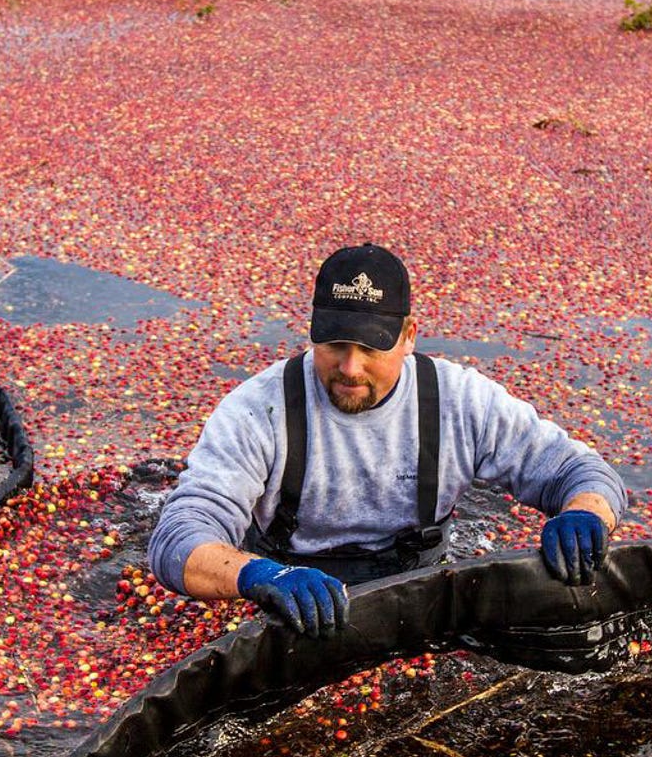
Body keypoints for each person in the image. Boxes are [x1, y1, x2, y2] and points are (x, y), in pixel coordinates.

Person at [146, 244, 626, 636]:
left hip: (417, 586)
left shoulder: (458, 401)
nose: (350, 369)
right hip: (290, 600)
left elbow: (581, 472)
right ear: (312, 331)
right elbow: (178, 539)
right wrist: (258, 576)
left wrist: (585, 513)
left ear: (409, 335)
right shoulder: (259, 409)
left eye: (371, 347)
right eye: (334, 345)